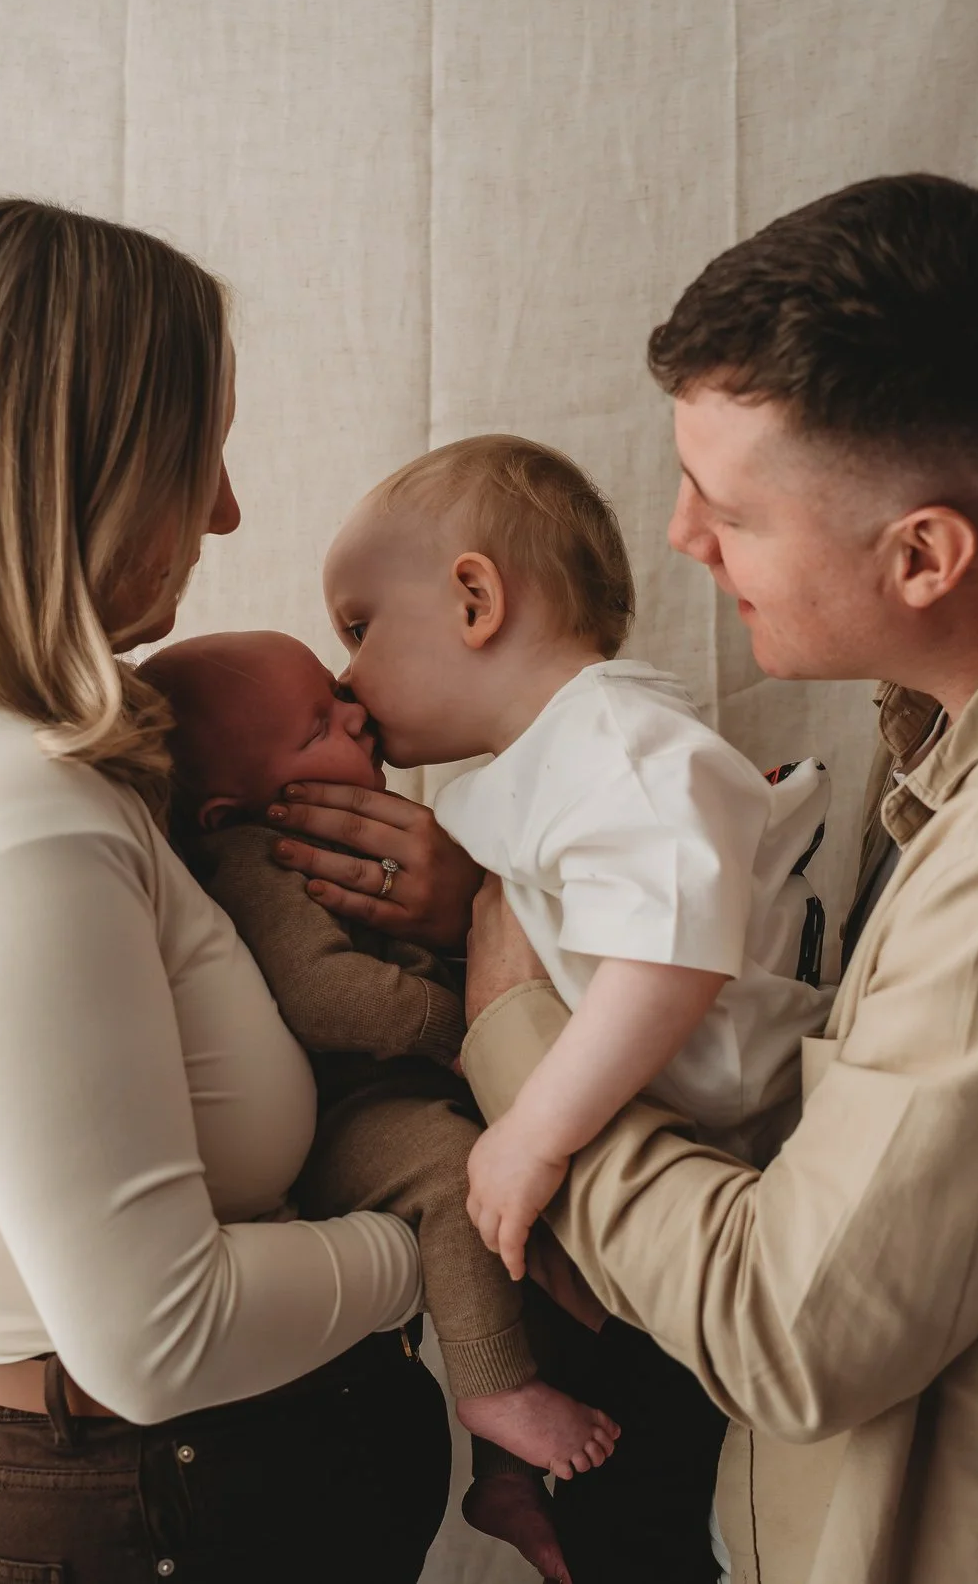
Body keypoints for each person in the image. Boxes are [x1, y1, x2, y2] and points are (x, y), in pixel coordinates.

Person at [280, 174, 978, 1582]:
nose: (681, 536)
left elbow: (788, 1326)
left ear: (923, 553)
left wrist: (514, 1013)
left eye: (730, 506)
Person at [0, 199, 452, 1583]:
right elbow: (160, 1337)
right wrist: (445, 1231)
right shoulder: (2, 815)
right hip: (147, 1508)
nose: (226, 509)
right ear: (77, 468)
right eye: (200, 455)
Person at [305, 432, 836, 1582]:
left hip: (712, 1180)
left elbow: (667, 956)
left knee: (657, 1512)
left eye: (358, 627)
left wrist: (534, 1131)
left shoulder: (616, 742)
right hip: (630, 1210)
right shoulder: (533, 768)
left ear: (474, 598)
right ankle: (521, 1475)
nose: (342, 679)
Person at [138, 629, 616, 1582]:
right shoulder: (257, 859)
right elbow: (326, 996)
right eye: (320, 724)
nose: (358, 715)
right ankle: (492, 1394)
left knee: (526, 1220)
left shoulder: (354, 834)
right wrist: (466, 1024)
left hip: (408, 1090)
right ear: (237, 805)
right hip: (352, 1117)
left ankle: (506, 1477)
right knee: (451, 1171)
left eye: (339, 693)